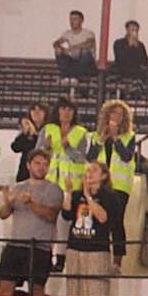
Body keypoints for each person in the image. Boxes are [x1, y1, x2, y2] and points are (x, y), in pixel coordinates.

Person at [0, 149, 64, 296]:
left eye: (45, 164)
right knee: (4, 289)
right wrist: (7, 202)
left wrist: (31, 203)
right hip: (15, 245)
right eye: (37, 163)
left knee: (36, 292)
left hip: (39, 247)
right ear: (28, 165)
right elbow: (3, 214)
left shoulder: (54, 189)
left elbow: (51, 215)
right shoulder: (18, 187)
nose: (41, 167)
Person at [38, 97, 89, 272]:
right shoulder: (48, 129)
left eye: (70, 109)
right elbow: (37, 155)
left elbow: (82, 158)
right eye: (63, 109)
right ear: (57, 111)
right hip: (50, 183)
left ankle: (61, 259)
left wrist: (68, 148)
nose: (66, 113)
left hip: (70, 185)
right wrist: (46, 149)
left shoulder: (80, 132)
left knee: (64, 223)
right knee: (47, 221)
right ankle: (45, 256)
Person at [86, 99, 137, 271]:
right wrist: (102, 139)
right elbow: (90, 157)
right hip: (100, 185)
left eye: (121, 114)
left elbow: (126, 156)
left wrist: (115, 138)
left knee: (116, 221)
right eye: (114, 113)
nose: (117, 117)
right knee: (98, 219)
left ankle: (117, 262)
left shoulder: (129, 136)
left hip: (119, 186)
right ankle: (97, 256)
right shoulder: (96, 136)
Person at [61, 160, 121, 296]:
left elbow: (103, 218)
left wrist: (88, 196)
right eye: (87, 170)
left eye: (94, 170)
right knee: (74, 292)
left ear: (104, 176)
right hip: (75, 248)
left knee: (95, 292)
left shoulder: (110, 196)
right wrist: (68, 192)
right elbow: (66, 214)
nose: (89, 173)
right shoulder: (77, 195)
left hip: (96, 250)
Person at [53, 10, 97, 79]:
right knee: (58, 52)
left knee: (83, 52)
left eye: (75, 19)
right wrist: (59, 48)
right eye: (71, 19)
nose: (72, 22)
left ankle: (71, 76)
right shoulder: (67, 33)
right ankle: (69, 76)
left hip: (87, 65)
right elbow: (56, 42)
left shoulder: (88, 33)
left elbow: (89, 43)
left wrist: (71, 49)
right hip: (73, 63)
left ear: (81, 21)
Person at [12, 103, 48, 183]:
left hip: (44, 170)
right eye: (33, 110)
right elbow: (15, 148)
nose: (36, 112)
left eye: (40, 110)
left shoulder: (50, 129)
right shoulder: (27, 129)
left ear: (45, 113)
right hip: (25, 171)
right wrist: (25, 133)